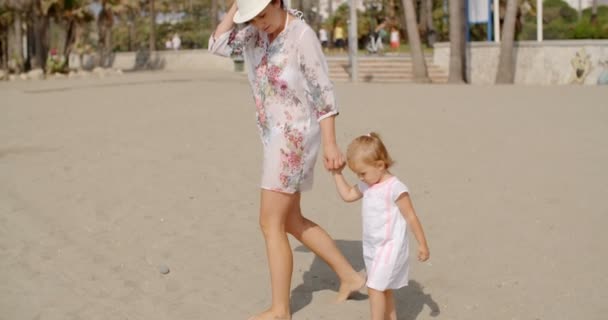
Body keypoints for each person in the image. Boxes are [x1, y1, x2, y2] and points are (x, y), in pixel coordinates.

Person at [208, 0, 365, 319]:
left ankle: (281, 309)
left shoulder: (301, 36)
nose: (259, 22)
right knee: (291, 220)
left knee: (269, 222)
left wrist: (331, 144)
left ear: (279, 2)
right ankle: (350, 276)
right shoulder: (255, 34)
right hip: (272, 136)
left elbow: (323, 93)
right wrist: (240, 7)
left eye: (263, 14)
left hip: (294, 138)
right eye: (252, 18)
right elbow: (217, 44)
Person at [331, 132, 430, 320]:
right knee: (384, 290)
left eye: (363, 173)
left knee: (375, 287)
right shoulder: (368, 184)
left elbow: (410, 216)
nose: (360, 178)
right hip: (373, 247)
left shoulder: (395, 187)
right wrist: (336, 173)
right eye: (357, 174)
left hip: (390, 247)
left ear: (380, 165)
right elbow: (348, 195)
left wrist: (422, 244)